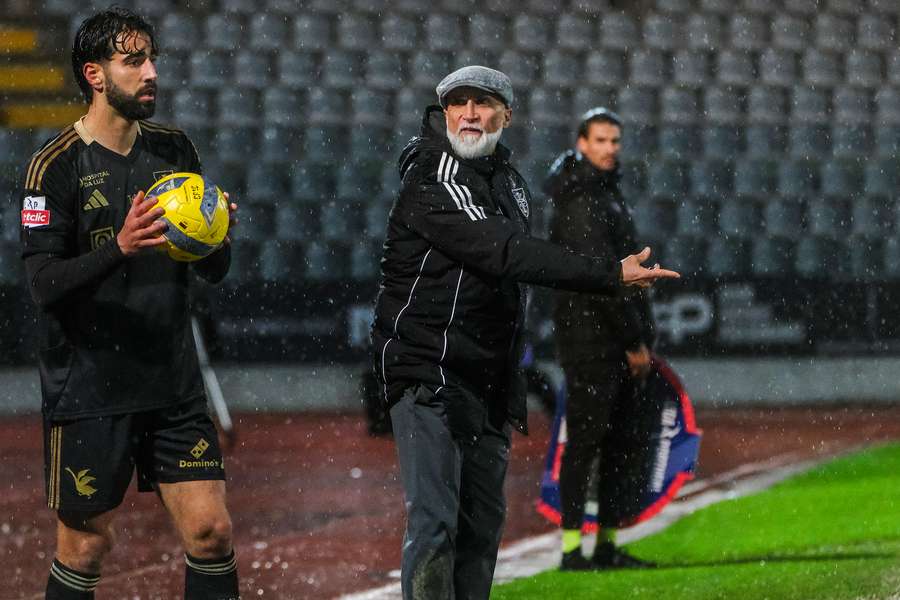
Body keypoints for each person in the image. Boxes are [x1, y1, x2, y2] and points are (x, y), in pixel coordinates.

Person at [371, 66, 679, 599]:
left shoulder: (510, 182)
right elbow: (506, 252)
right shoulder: (433, 172)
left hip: (487, 377)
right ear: (444, 112)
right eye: (459, 103)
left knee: (482, 527)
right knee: (436, 520)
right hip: (429, 369)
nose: (470, 114)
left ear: (506, 115)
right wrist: (609, 274)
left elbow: (513, 275)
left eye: (483, 103)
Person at [20, 8, 239, 599]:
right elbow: (42, 284)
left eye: (152, 60)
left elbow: (214, 271)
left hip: (172, 382)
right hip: (90, 389)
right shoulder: (53, 167)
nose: (151, 73)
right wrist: (118, 247)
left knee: (211, 532)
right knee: (85, 548)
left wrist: (216, 238)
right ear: (94, 74)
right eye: (133, 61)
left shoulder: (174, 149)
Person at [545, 107, 658, 571]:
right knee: (587, 443)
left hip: (603, 337)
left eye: (615, 140)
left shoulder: (601, 192)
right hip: (590, 341)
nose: (610, 149)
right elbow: (602, 280)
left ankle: (605, 545)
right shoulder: (581, 199)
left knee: (616, 444)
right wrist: (633, 341)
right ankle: (573, 550)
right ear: (581, 143)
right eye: (601, 140)